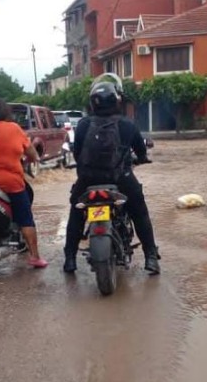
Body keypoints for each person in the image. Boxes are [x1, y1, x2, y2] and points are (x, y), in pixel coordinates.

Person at [63, 74, 161, 275]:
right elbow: (141, 153)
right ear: (117, 100)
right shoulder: (127, 124)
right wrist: (141, 158)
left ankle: (70, 259)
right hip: (121, 179)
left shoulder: (82, 125)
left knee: (76, 212)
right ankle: (151, 256)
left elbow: (78, 153)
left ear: (93, 102)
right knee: (139, 212)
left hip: (88, 180)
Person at [0, 97, 48, 268]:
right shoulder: (14, 129)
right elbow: (32, 152)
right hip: (9, 182)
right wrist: (35, 158)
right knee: (26, 218)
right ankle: (35, 257)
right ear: (6, 113)